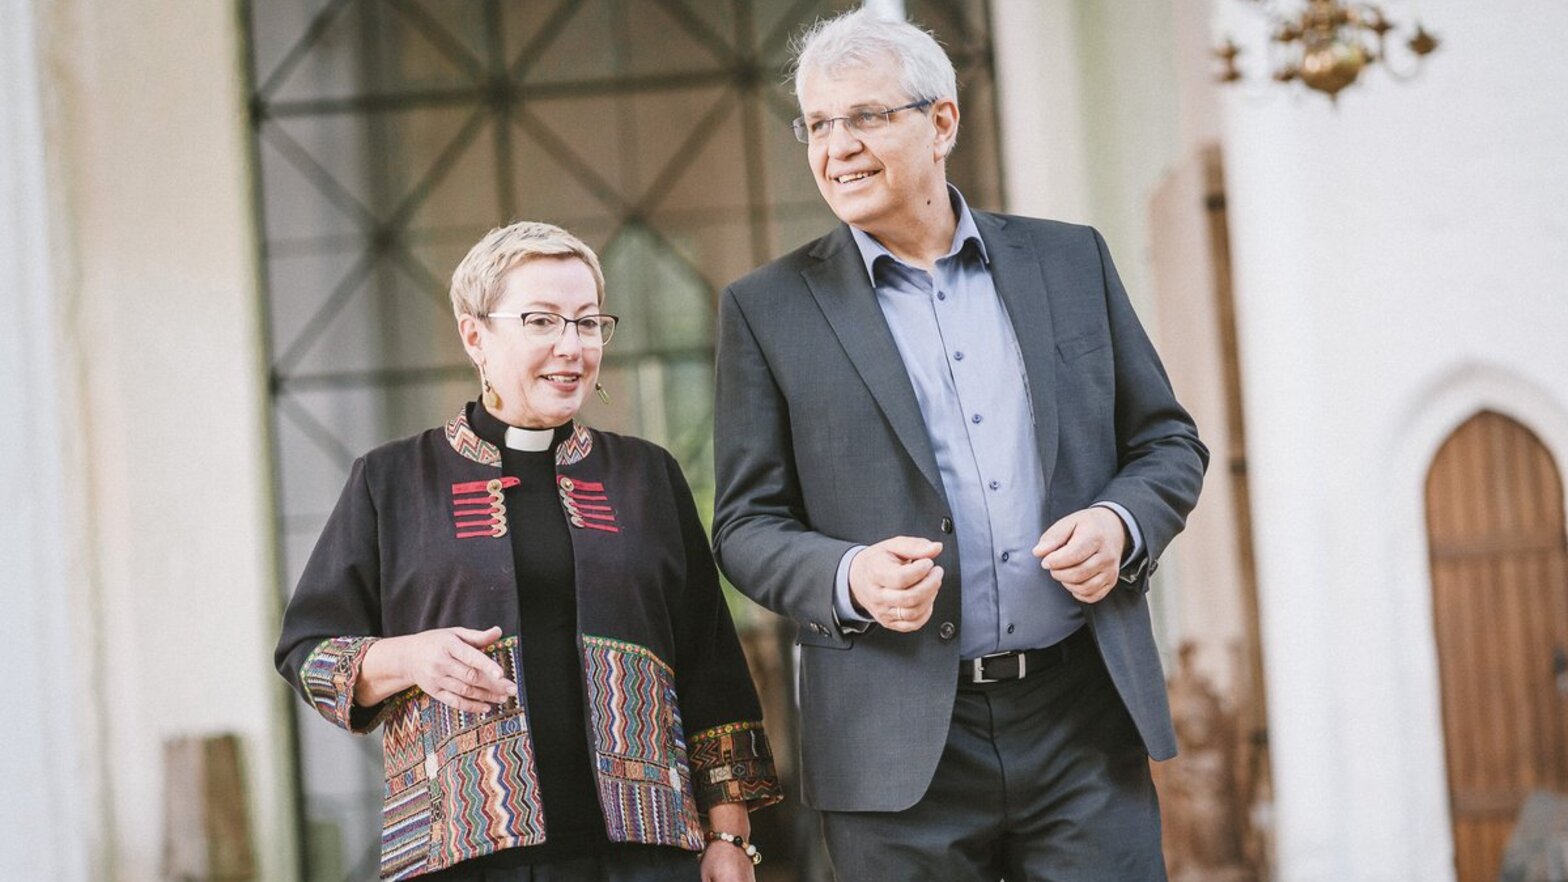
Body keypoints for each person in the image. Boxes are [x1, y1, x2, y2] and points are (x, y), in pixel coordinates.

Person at [711, 9, 1207, 881]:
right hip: (893, 750)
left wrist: (1121, 525)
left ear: (941, 122)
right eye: (819, 125)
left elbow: (1167, 441)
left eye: (866, 117)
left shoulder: (1069, 262)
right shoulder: (767, 310)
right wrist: (847, 577)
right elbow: (746, 526)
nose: (839, 146)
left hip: (1081, 720)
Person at [276, 221, 781, 882]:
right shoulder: (392, 482)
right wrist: (410, 657)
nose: (572, 347)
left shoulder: (646, 477)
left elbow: (710, 663)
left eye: (588, 322)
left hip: (648, 855)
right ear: (475, 336)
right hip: (463, 854)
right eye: (542, 321)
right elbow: (307, 652)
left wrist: (729, 836)